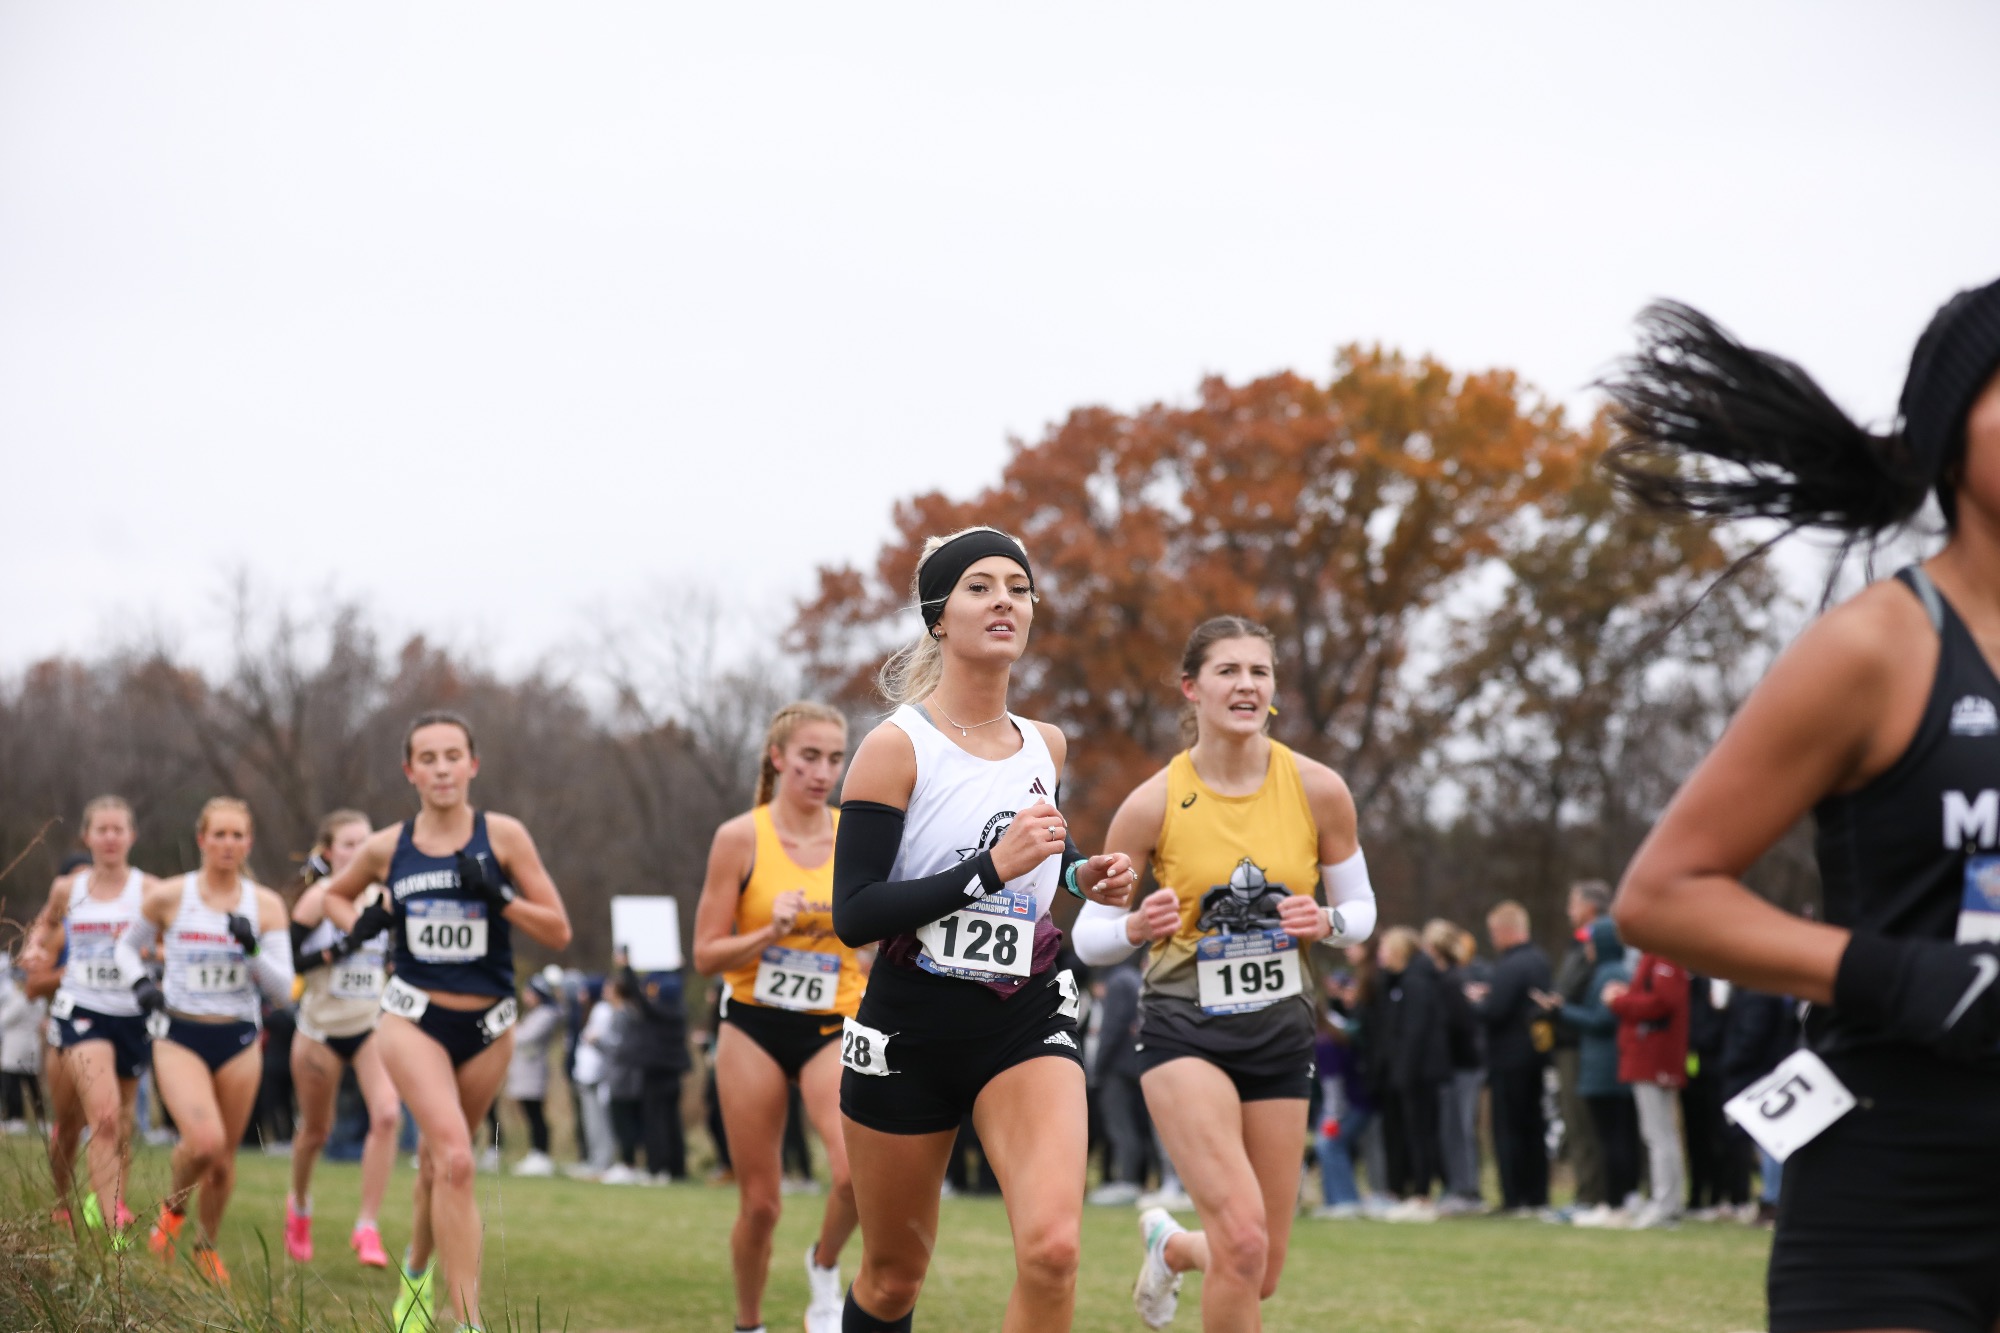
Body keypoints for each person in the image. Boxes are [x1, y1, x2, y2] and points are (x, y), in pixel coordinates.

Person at [1603, 278, 2000, 1330]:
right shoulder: (1877, 646)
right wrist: (1897, 973)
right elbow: (1660, 896)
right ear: (1947, 431)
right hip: (1895, 1194)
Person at [831, 526, 1136, 1333]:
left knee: (1053, 1251)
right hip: (911, 1024)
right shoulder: (895, 748)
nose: (1005, 598)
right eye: (979, 585)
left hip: (1024, 1017)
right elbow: (854, 910)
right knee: (892, 1279)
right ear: (939, 615)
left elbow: (1038, 838)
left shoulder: (1047, 743)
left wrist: (1079, 873)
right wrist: (989, 871)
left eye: (1019, 586)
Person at [1071, 614, 1373, 1331]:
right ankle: (1188, 1244)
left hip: (1280, 1037)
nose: (1246, 684)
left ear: (1272, 689)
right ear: (1191, 687)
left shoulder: (1318, 788)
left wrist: (1326, 923)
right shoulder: (1151, 802)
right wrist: (1134, 925)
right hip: (1184, 1034)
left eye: (1259, 671)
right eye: (1228, 670)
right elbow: (1088, 935)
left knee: (1257, 1270)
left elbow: (1361, 910)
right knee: (1241, 1239)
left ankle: (1171, 1245)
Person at [318, 711, 573, 1332]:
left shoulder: (504, 836)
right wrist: (361, 924)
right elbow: (329, 895)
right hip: (412, 1019)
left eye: (452, 755)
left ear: (472, 765)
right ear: (410, 771)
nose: (441, 768)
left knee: (439, 1163)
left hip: (489, 1026)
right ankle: (466, 1322)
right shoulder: (387, 846)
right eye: (427, 758)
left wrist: (499, 896)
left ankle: (414, 1267)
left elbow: (559, 931)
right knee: (458, 1159)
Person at [692, 700, 862, 1333]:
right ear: (778, 758)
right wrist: (769, 931)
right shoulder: (740, 838)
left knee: (853, 1176)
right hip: (754, 1024)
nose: (822, 773)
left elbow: (878, 926)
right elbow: (706, 955)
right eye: (809, 758)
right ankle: (750, 1324)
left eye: (835, 759)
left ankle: (824, 1265)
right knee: (760, 1205)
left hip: (832, 1023)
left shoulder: (856, 835)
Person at [116, 797, 294, 1282]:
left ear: (249, 842)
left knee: (222, 1158)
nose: (228, 844)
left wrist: (251, 947)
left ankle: (205, 1245)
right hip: (180, 1034)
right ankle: (171, 1215)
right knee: (204, 1140)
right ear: (202, 840)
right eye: (219, 834)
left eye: (238, 835)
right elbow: (126, 948)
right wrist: (141, 985)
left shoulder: (267, 905)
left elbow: (282, 988)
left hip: (238, 1038)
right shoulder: (172, 896)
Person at [20, 797, 153, 1240]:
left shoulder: (150, 890)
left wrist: (155, 954)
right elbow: (46, 928)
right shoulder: (68, 889)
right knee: (98, 1118)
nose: (111, 837)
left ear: (132, 836)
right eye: (102, 829)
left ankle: (108, 1199)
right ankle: (92, 1208)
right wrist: (35, 947)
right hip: (81, 1010)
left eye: (119, 829)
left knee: (122, 1121)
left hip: (130, 1013)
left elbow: (169, 937)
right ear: (88, 837)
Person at [285, 808, 399, 1266]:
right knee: (316, 1131)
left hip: (371, 1024)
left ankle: (366, 1225)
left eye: (365, 841)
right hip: (320, 1030)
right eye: (348, 843)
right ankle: (299, 1205)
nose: (359, 850)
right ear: (329, 852)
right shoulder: (317, 900)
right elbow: (287, 961)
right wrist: (340, 948)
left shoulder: (385, 895)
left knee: (388, 1115)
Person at [1538, 917, 1637, 1226]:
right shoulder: (1606, 972)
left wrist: (1560, 1011)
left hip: (1605, 1067)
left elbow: (1602, 1020)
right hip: (1602, 1066)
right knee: (1608, 1136)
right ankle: (1612, 1201)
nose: (1588, 950)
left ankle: (1613, 1202)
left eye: (1592, 944)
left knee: (1610, 1137)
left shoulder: (1611, 973)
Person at [1465, 901, 1553, 1214]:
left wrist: (1472, 1004)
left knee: (1508, 1130)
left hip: (1508, 1059)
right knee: (1534, 1127)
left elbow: (1495, 1011)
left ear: (1504, 930)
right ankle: (1538, 1195)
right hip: (1535, 1055)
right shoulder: (1539, 960)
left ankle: (1514, 1197)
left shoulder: (1510, 965)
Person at [1605, 944, 1690, 1229]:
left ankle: (1665, 1203)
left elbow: (1662, 1003)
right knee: (1661, 1133)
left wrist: (1619, 1002)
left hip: (1653, 1057)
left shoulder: (1665, 958)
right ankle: (1669, 1202)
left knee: (1658, 1133)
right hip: (1650, 1057)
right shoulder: (1657, 958)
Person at [1374, 926, 1448, 1220]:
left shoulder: (1417, 983)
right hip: (1409, 1070)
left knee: (1421, 1132)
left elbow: (1414, 1031)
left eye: (1384, 949)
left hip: (1420, 1072)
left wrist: (1403, 1071)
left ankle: (1422, 1193)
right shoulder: (1398, 982)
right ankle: (1410, 1190)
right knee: (1409, 1131)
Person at [1551, 880, 1613, 1212]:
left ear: (1589, 908)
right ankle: (1587, 1193)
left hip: (1580, 1043)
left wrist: (1558, 1006)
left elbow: (1578, 994)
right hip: (1573, 1041)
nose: (1568, 911)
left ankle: (1593, 1195)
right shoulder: (1580, 946)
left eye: (1573, 904)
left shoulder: (1600, 947)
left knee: (1585, 1124)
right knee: (1577, 1125)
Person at [1426, 920, 1486, 1214]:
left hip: (1462, 1066)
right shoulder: (1446, 980)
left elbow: (1461, 1026)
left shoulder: (1452, 981)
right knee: (1451, 1129)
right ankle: (1458, 1187)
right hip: (1452, 1066)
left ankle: (1467, 1191)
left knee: (1460, 1129)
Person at [1087, 962, 1148, 1207]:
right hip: (1136, 1064)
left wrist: (1097, 1069)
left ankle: (1127, 1182)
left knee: (1120, 1127)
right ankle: (1137, 1180)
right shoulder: (1133, 977)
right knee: (1137, 1127)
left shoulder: (1117, 981)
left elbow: (1111, 1028)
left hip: (1116, 1068)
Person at [506, 968, 564, 1177]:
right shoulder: (533, 1013)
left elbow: (523, 1038)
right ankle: (535, 1153)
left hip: (533, 1071)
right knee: (530, 1113)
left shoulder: (547, 1014)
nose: (526, 996)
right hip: (522, 1070)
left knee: (536, 1113)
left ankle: (542, 1155)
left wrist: (511, 1028)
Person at [1, 951, 48, 1130]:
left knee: (12, 1083)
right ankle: (40, 1119)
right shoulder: (40, 1000)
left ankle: (15, 1117)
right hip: (31, 1046)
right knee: (32, 1083)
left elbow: (5, 1019)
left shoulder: (19, 1000)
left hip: (15, 1046)